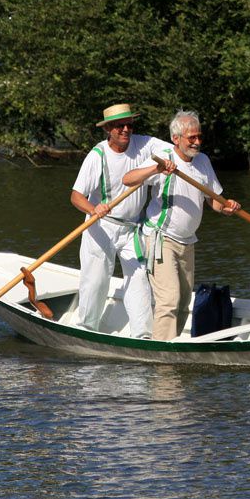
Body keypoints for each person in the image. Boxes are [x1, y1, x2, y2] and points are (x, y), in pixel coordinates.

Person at [123, 110, 241, 341]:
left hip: (188, 241)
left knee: (185, 301)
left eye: (199, 137)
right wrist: (156, 169)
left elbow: (214, 201)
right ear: (176, 139)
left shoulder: (203, 161)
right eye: (191, 138)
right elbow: (128, 179)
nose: (197, 142)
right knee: (169, 299)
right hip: (161, 238)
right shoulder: (163, 157)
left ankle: (172, 346)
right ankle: (162, 354)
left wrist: (226, 208)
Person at [70, 103, 171, 335]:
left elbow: (173, 149)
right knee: (95, 282)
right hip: (100, 226)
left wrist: (169, 162)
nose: (126, 130)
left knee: (139, 281)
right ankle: (87, 329)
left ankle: (142, 335)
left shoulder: (144, 144)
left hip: (131, 229)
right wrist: (93, 209)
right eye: (119, 126)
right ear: (108, 130)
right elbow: (76, 196)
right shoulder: (97, 155)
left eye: (129, 125)